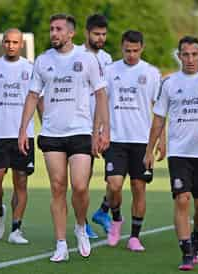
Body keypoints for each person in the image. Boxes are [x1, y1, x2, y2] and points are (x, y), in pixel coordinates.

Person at [18, 13, 110, 262]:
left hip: (80, 131)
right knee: (58, 187)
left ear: (71, 33)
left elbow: (101, 95)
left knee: (80, 186)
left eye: (58, 29)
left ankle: (80, 225)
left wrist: (103, 131)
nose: (54, 34)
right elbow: (32, 96)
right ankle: (60, 243)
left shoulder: (87, 59)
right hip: (52, 133)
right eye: (51, 29)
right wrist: (23, 129)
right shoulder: (42, 61)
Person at [144, 36, 198, 270]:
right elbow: (159, 119)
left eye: (194, 54)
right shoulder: (169, 83)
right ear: (179, 56)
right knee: (182, 199)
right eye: (185, 54)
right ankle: (186, 252)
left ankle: (196, 238)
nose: (189, 59)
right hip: (179, 153)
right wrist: (149, 150)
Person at [102, 30, 165, 251]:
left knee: (139, 188)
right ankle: (116, 219)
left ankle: (134, 237)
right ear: (121, 47)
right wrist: (100, 132)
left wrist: (161, 141)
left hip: (142, 141)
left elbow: (160, 110)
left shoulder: (152, 73)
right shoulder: (110, 71)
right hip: (115, 139)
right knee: (114, 184)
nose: (131, 54)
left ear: (142, 48)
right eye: (127, 50)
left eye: (135, 50)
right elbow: (101, 104)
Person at [0, 28, 36, 245]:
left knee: (21, 182)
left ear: (21, 44)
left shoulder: (31, 68)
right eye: (7, 41)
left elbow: (37, 99)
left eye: (15, 42)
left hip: (23, 135)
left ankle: (16, 230)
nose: (11, 45)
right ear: (3, 43)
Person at [76, 13, 113, 239]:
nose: (100, 38)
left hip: (106, 128)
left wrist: (104, 130)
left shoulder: (108, 59)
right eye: (96, 34)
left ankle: (103, 211)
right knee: (84, 179)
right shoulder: (76, 57)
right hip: (82, 126)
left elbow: (107, 95)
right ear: (86, 33)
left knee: (115, 177)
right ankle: (83, 223)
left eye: (103, 35)